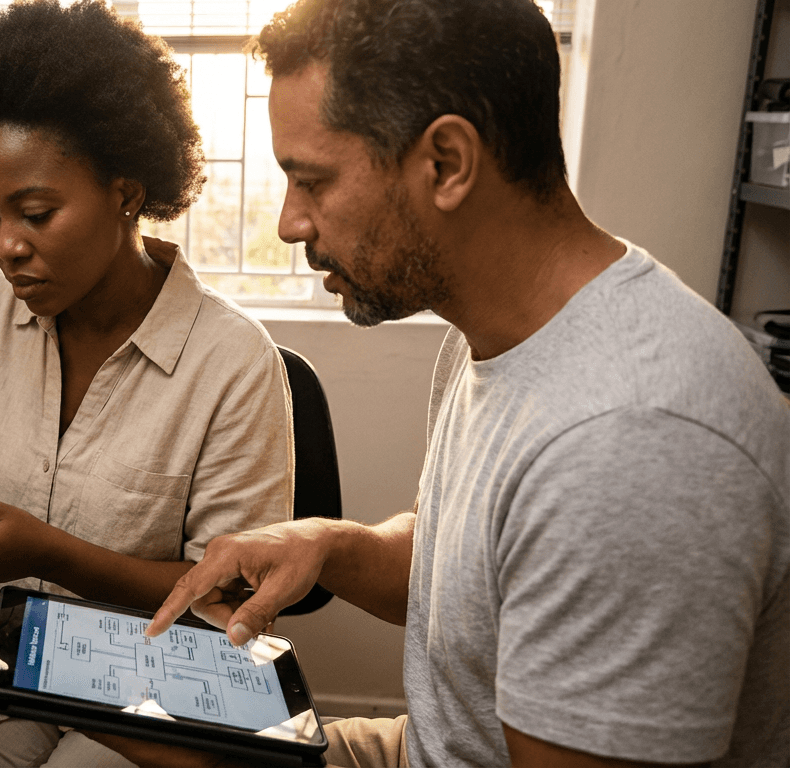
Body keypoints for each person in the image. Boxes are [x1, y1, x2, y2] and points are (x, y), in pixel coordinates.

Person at [106, 0, 790, 766]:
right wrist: (327, 544)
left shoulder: (629, 446)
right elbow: (472, 574)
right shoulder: (494, 329)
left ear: (447, 164)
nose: (291, 223)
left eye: (312, 181)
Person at [0, 2, 294, 766]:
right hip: (7, 649)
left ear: (126, 191)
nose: (8, 246)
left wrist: (51, 553)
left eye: (37, 213)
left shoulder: (235, 363)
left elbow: (230, 604)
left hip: (164, 675)